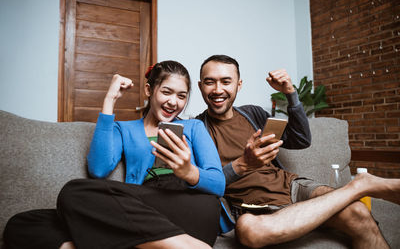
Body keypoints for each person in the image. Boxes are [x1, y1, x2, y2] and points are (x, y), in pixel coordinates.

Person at [4, 60, 225, 249]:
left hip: (193, 209)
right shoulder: (125, 129)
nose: (173, 102)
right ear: (149, 90)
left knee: (74, 192)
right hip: (143, 208)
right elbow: (98, 170)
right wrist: (109, 101)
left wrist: (189, 172)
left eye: (181, 96)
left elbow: (218, 184)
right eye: (166, 92)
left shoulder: (194, 127)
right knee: (22, 223)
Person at [196, 54, 400, 249]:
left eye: (225, 81)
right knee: (249, 232)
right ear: (200, 86)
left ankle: (356, 187)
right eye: (209, 82)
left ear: (238, 85)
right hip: (255, 208)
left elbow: (301, 140)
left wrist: (290, 93)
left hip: (293, 187)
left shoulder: (252, 113)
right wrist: (244, 163)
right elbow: (203, 184)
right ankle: (359, 186)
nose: (217, 89)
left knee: (358, 212)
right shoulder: (195, 129)